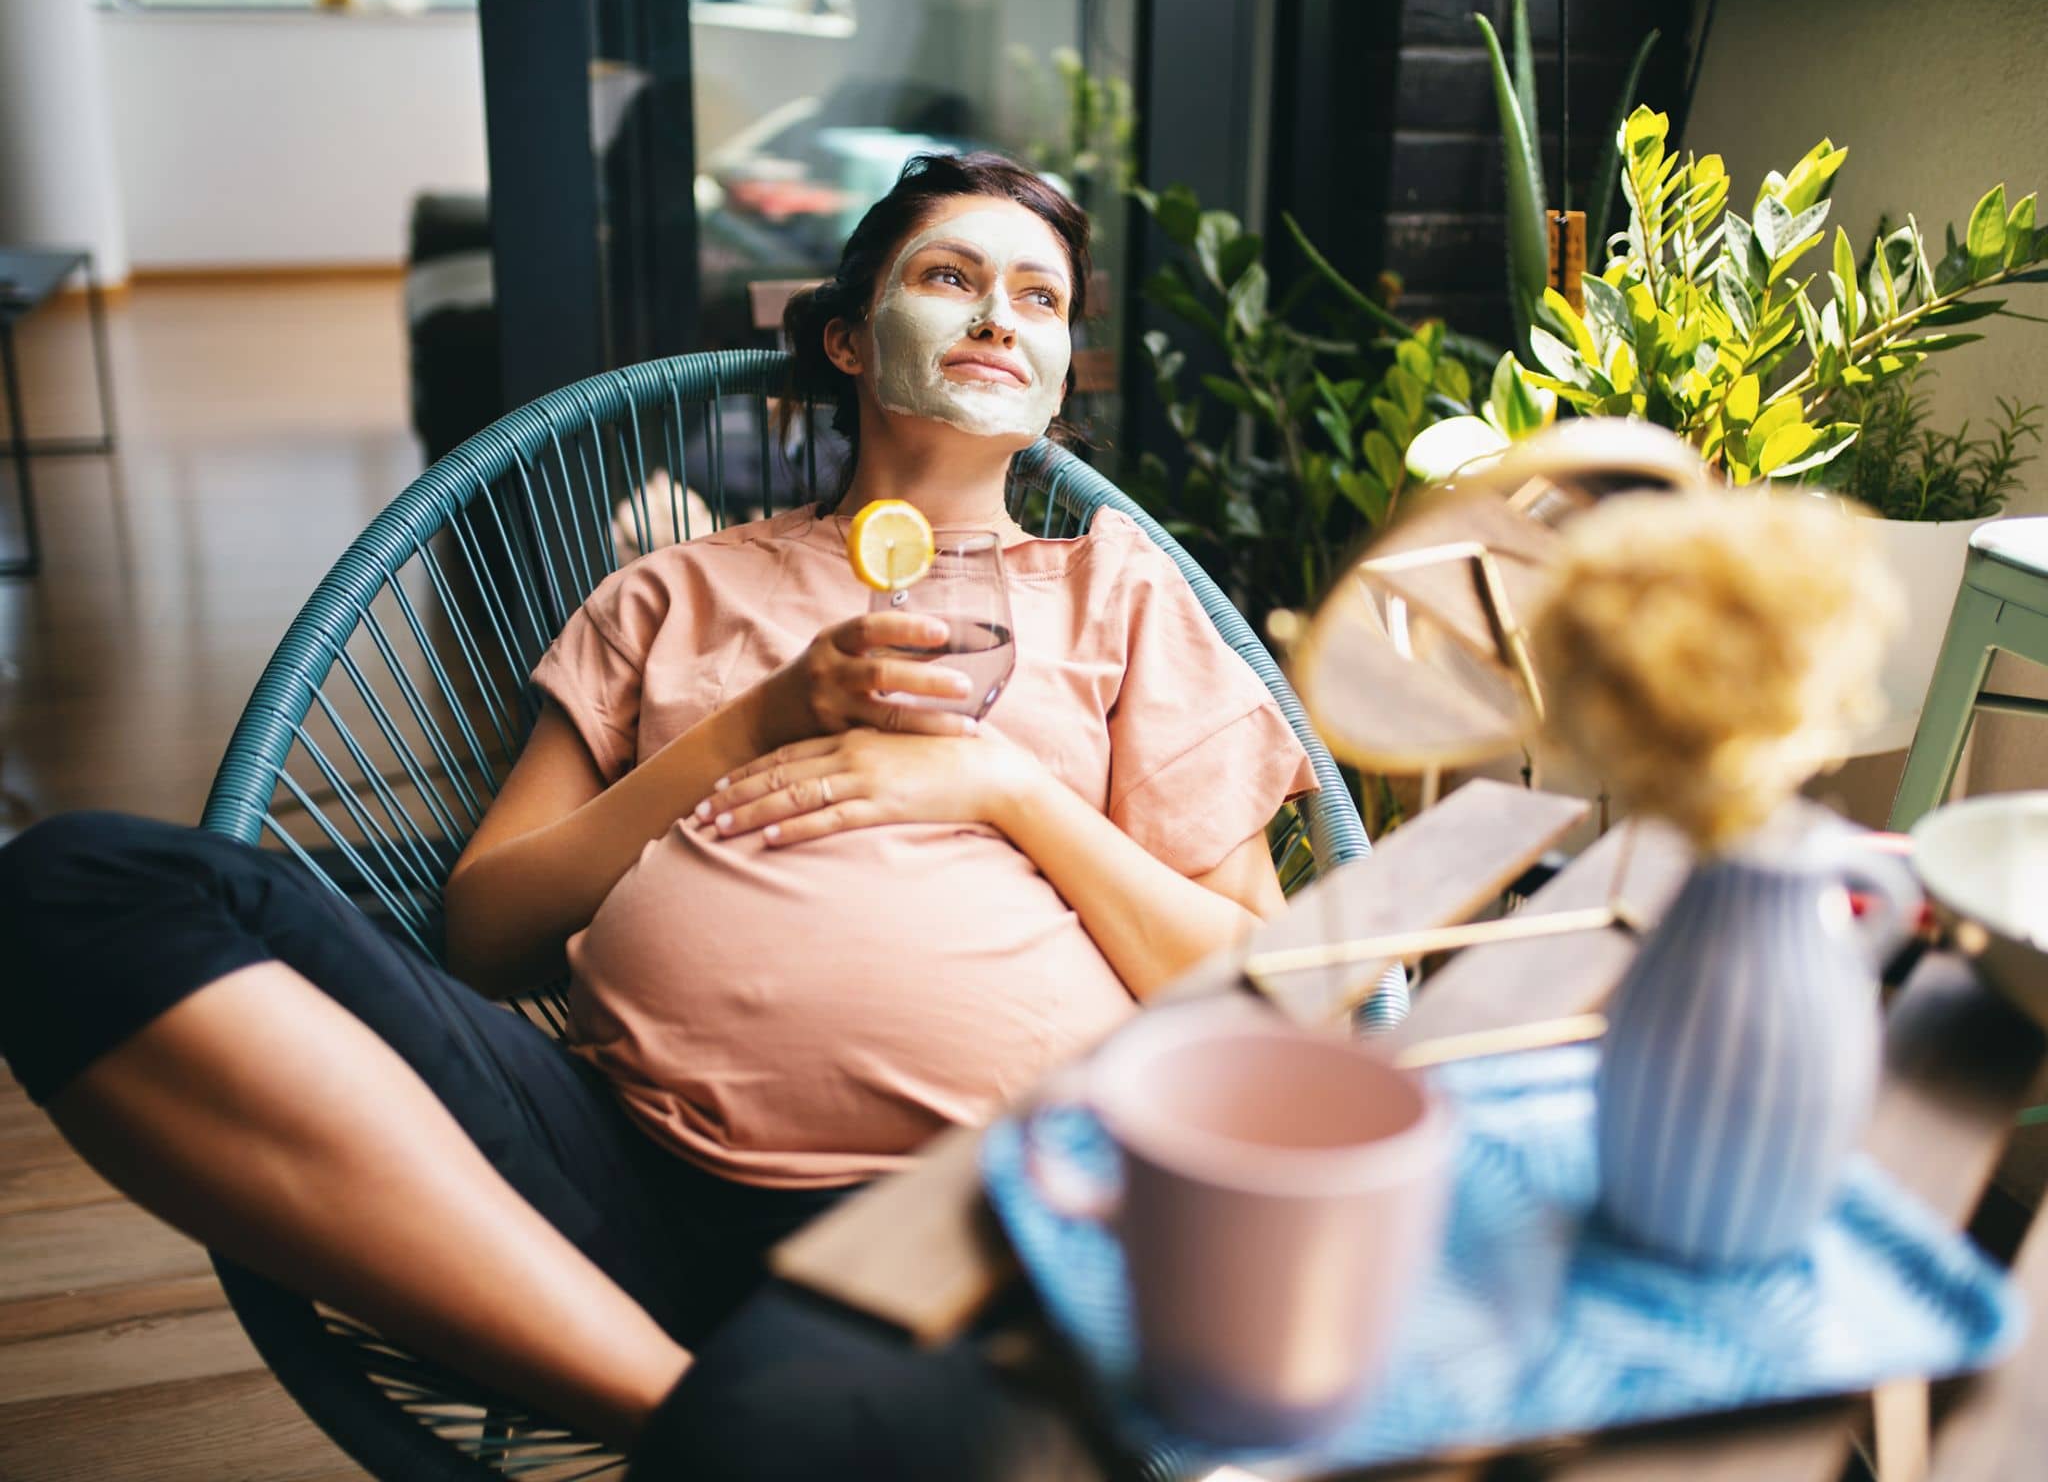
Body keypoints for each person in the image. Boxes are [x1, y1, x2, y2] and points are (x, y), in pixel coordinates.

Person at [0, 152, 1315, 1478]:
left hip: (968, 1216)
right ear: (851, 340)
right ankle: (696, 1416)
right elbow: (488, 934)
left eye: (1041, 298)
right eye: (950, 277)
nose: (997, 316)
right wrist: (757, 721)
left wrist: (1008, 791)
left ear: (1056, 373)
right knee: (76, 889)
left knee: (913, 1435)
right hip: (616, 1166)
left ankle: (715, 1419)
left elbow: (1262, 992)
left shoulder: (1120, 595)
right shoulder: (669, 593)